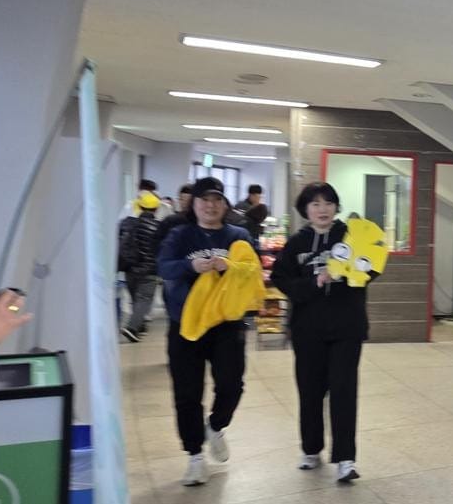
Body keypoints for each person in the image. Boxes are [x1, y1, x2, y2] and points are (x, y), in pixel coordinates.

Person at [270, 182, 374, 483]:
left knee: (343, 391)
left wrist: (357, 272)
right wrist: (315, 282)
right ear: (306, 209)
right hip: (308, 330)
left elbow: (373, 267)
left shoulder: (352, 236)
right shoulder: (296, 243)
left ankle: (346, 458)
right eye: (315, 204)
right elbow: (281, 279)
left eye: (328, 202)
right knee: (311, 392)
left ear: (336, 206)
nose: (322, 209)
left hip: (347, 328)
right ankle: (311, 449)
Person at [157, 177, 257, 486]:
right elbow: (163, 267)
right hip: (185, 325)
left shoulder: (238, 236)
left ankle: (215, 426)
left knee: (231, 385)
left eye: (216, 200)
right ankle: (195, 457)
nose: (210, 205)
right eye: (204, 200)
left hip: (226, 325)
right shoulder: (180, 235)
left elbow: (252, 272)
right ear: (194, 204)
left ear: (224, 205)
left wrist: (231, 267)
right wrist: (192, 267)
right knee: (187, 393)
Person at [117, 191, 162, 342]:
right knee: (144, 300)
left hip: (130, 269)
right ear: (156, 209)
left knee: (136, 300)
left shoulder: (128, 223)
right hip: (150, 271)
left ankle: (140, 326)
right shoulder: (159, 227)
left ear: (140, 207)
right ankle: (132, 328)